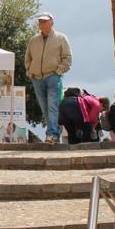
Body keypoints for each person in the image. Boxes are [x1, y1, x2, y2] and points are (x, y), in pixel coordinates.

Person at [24, 12, 72, 144]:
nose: (42, 24)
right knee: (44, 108)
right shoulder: (33, 40)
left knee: (52, 106)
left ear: (52, 22)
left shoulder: (61, 38)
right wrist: (29, 71)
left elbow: (67, 58)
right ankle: (55, 129)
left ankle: (51, 134)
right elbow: (27, 58)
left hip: (53, 76)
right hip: (37, 78)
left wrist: (58, 72)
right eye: (40, 21)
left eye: (45, 21)